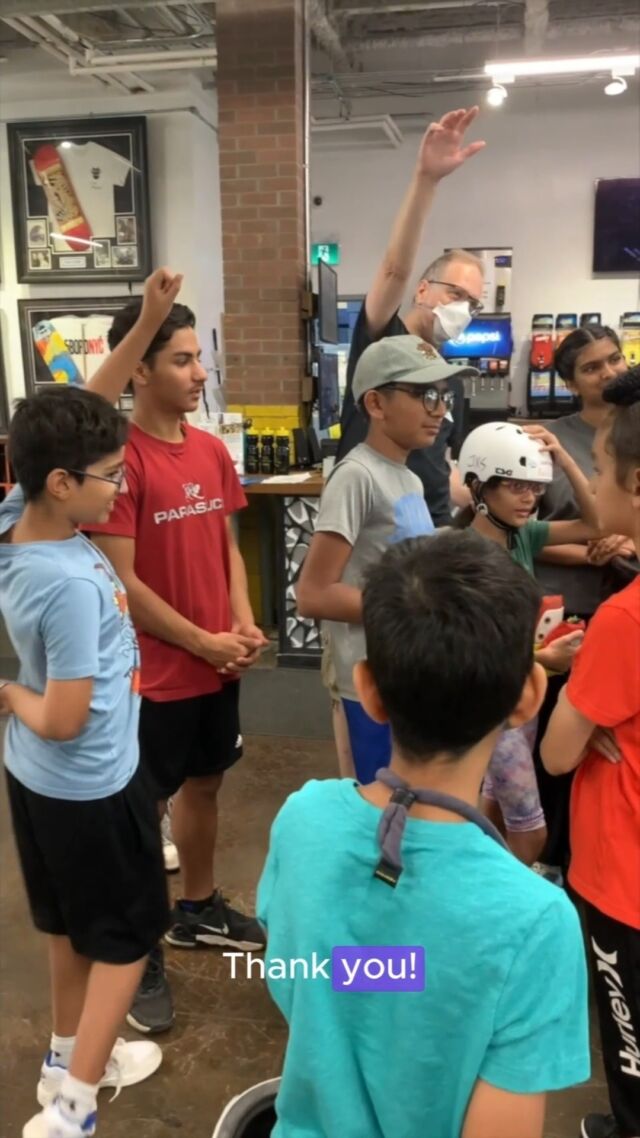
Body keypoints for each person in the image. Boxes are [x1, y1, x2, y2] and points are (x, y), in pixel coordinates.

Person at [258, 529, 590, 1138]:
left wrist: (384, 972)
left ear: (368, 690)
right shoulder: (537, 921)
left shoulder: (302, 819)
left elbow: (297, 969)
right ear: (530, 695)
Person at [0, 270, 183, 1138]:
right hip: (92, 782)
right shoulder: (70, 579)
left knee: (67, 925)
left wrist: (146, 320)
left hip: (37, 783)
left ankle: (71, 1054)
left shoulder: (18, 520)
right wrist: (8, 690)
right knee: (124, 938)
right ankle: (71, 1109)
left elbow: (84, 405)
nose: (123, 488)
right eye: (110, 477)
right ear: (64, 483)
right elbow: (65, 716)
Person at [89, 296, 268, 1037]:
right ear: (141, 371)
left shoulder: (209, 450)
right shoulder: (117, 462)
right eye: (183, 360)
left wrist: (244, 619)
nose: (201, 373)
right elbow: (123, 582)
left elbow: (227, 547)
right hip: (155, 675)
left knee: (206, 783)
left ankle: (195, 909)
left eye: (200, 357)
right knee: (139, 814)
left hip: (214, 663)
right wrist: (200, 640)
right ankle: (138, 950)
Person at [297, 335, 476, 784]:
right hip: (367, 678)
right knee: (378, 804)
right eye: (425, 394)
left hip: (406, 666)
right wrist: (415, 607)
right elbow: (314, 595)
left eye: (444, 395)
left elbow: (399, 560)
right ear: (376, 403)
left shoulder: (408, 478)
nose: (440, 410)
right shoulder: (356, 477)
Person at [541, 367, 640, 1138]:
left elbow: (558, 753)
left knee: (627, 1032)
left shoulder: (622, 620)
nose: (594, 483)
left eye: (601, 469)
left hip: (623, 875)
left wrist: (573, 685)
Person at [456, 421, 600, 864]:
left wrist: (562, 457)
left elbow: (595, 522)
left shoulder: (522, 536)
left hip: (521, 702)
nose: (529, 498)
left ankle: (483, 889)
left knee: (492, 807)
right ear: (479, 486)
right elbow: (470, 652)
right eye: (515, 486)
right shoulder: (463, 557)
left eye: (535, 487)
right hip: (494, 705)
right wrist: (544, 657)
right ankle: (515, 900)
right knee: (530, 831)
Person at [336, 106, 486, 526]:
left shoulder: (446, 375)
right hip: (376, 523)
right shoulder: (385, 341)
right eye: (455, 293)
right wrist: (427, 180)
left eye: (472, 303)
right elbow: (393, 270)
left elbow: (441, 465)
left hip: (431, 522)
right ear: (423, 289)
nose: (463, 308)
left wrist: (496, 493)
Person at [532, 325, 634, 880]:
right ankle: (553, 850)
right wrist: (596, 550)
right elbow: (531, 531)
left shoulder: (632, 426)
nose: (608, 372)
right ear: (569, 381)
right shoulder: (550, 439)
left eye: (614, 359)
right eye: (592, 367)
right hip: (570, 609)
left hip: (623, 604)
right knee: (562, 733)